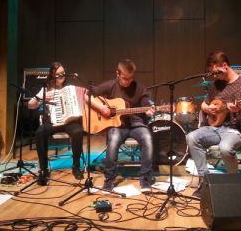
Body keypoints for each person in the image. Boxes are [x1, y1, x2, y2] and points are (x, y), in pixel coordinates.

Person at [186, 51, 241, 198]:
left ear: (224, 66)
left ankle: (234, 184)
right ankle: (205, 182)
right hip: (215, 127)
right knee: (191, 137)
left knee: (225, 148)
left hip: (237, 130)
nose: (214, 76)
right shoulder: (215, 85)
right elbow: (204, 105)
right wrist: (209, 108)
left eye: (215, 73)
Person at [89, 59, 155, 194]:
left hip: (136, 123)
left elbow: (146, 102)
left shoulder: (139, 87)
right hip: (117, 126)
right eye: (125, 78)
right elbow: (88, 95)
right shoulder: (110, 85)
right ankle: (109, 179)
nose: (128, 81)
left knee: (147, 138)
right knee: (113, 141)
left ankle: (145, 179)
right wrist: (102, 108)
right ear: (117, 74)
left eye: (131, 78)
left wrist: (149, 110)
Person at [28, 62, 84, 185]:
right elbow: (30, 105)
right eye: (58, 74)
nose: (61, 76)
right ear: (52, 75)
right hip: (52, 123)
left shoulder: (70, 88)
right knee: (40, 132)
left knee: (78, 131)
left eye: (63, 73)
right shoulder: (46, 89)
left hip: (68, 122)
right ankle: (43, 169)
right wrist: (42, 98)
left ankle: (76, 167)